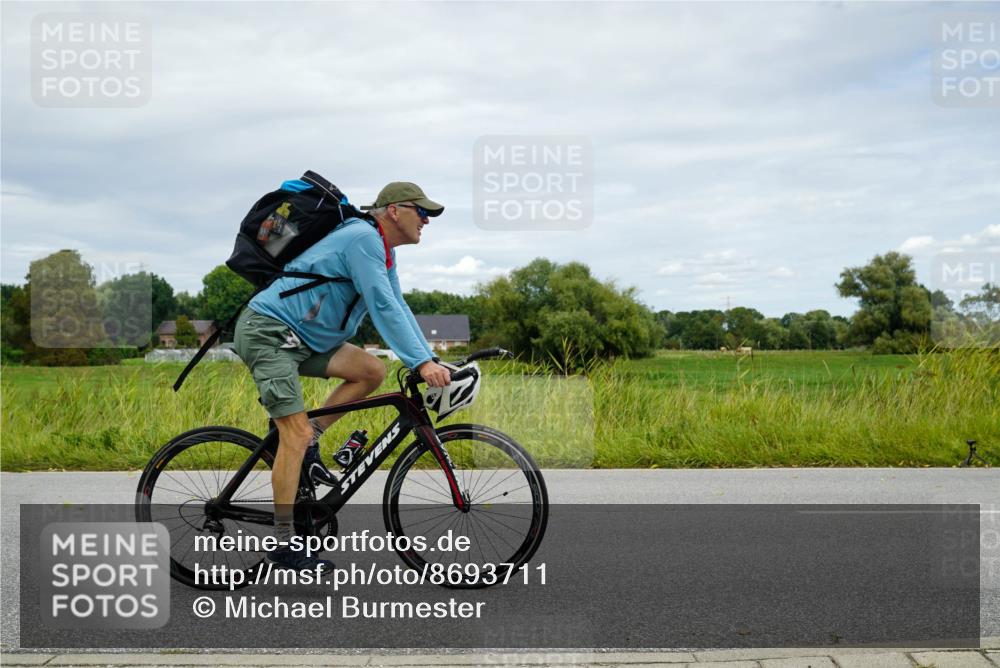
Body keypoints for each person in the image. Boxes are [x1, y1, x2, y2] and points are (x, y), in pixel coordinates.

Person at [233, 180, 453, 572]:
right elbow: (381, 304)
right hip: (268, 332)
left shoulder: (382, 250)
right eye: (421, 211)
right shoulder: (361, 239)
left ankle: (311, 440)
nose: (426, 220)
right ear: (393, 211)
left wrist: (430, 357)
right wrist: (421, 364)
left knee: (371, 370)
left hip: (303, 337)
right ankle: (283, 544)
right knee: (293, 434)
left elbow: (398, 304)